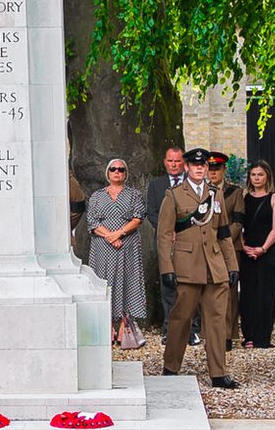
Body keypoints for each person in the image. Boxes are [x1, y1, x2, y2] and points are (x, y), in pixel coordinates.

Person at [157, 148, 237, 388]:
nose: (201, 169)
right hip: (187, 266)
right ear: (187, 167)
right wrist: (166, 268)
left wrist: (231, 264)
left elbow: (223, 233)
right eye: (195, 165)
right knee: (180, 318)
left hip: (214, 266)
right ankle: (171, 366)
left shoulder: (216, 194)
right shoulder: (174, 196)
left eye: (204, 166)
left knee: (216, 321)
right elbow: (163, 236)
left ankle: (218, 373)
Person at [84, 158, 147, 349]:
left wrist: (119, 233)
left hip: (127, 245)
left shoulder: (134, 194)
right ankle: (107, 326)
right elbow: (92, 222)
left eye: (121, 169)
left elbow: (138, 218)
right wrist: (110, 236)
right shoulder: (97, 196)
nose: (117, 172)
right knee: (105, 282)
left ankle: (124, 327)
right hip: (102, 247)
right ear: (108, 173)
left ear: (125, 173)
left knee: (128, 281)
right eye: (113, 169)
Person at [235, 161, 275, 349]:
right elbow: (238, 224)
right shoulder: (245, 198)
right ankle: (248, 335)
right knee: (248, 293)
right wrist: (244, 246)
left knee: (266, 293)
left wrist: (263, 248)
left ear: (267, 177)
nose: (257, 178)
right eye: (254, 175)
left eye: (260, 175)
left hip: (267, 252)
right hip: (247, 251)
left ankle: (263, 337)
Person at [143, 145, 189, 326]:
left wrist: (182, 232)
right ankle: (170, 325)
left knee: (188, 285)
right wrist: (169, 231)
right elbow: (152, 212)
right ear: (164, 162)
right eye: (170, 161)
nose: (174, 165)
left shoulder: (191, 183)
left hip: (188, 242)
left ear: (183, 162)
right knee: (167, 283)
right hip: (166, 242)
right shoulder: (156, 185)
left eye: (177, 161)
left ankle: (191, 325)